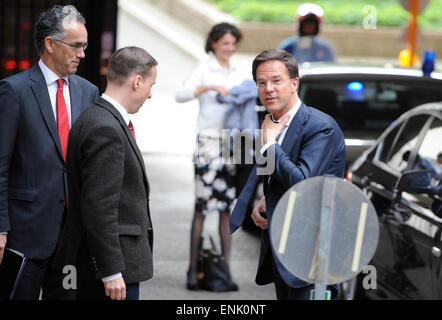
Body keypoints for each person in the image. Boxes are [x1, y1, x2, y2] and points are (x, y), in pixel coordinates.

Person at [230, 49, 346, 300]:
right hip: (284, 253)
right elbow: (280, 178)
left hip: (312, 256)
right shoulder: (273, 122)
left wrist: (270, 144)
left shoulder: (319, 126)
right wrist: (267, 200)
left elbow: (302, 181)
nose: (268, 89)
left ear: (294, 83)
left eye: (276, 81)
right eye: (261, 83)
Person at [0, 5, 99, 300]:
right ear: (50, 44)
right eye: (76, 45)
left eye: (85, 46)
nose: (82, 54)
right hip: (25, 235)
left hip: (72, 240)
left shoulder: (88, 91)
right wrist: (0, 227)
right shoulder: (13, 91)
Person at [53, 46, 157, 300]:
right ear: (137, 81)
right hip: (111, 271)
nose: (150, 95)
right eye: (150, 85)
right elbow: (99, 206)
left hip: (104, 265)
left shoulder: (96, 117)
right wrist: (111, 271)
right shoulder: (105, 128)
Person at [175, 22, 243, 291]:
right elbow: (180, 94)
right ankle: (193, 271)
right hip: (207, 145)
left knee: (227, 210)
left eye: (233, 43)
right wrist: (207, 88)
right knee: (202, 209)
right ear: (214, 43)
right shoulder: (203, 68)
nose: (230, 48)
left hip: (231, 147)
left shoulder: (238, 71)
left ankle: (225, 271)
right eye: (225, 43)